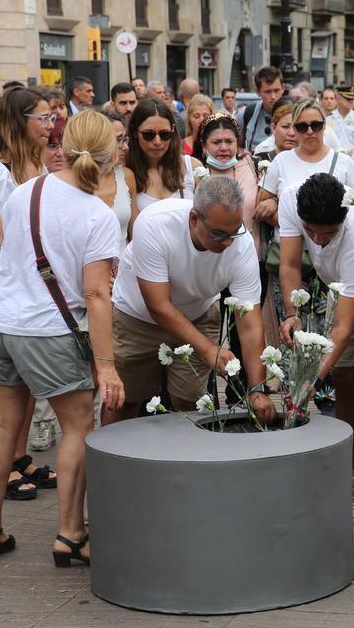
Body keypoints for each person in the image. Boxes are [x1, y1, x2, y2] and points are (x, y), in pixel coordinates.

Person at [0, 110, 125, 564]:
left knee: (2, 424)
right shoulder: (97, 213)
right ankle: (70, 534)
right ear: (110, 155)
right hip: (48, 329)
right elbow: (97, 294)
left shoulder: (27, 189)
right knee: (78, 426)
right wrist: (106, 364)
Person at [108, 175, 274, 422]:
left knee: (190, 403)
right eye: (218, 234)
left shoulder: (242, 245)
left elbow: (249, 321)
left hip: (199, 315)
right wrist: (208, 349)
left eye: (234, 231)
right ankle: (113, 458)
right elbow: (159, 305)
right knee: (125, 401)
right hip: (138, 317)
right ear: (194, 219)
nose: (228, 242)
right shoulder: (154, 224)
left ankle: (180, 458)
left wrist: (257, 389)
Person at [279, 174, 354, 522]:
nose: (316, 240)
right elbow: (288, 264)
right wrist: (292, 314)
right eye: (309, 231)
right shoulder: (290, 198)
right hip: (337, 291)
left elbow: (343, 327)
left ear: (343, 219)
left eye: (326, 235)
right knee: (345, 383)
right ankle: (348, 474)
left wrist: (308, 383)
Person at [0, 87, 61, 489]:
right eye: (42, 118)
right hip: (4, 286)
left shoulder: (38, 166)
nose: (51, 125)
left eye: (51, 117)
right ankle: (0, 459)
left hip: (35, 288)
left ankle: (20, 455)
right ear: (18, 121)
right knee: (1, 384)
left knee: (26, 382)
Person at [255, 99, 354, 228]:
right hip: (286, 243)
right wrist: (291, 223)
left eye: (316, 125)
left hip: (333, 244)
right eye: (302, 127)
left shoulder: (344, 162)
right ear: (294, 129)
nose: (310, 131)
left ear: (324, 126)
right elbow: (261, 204)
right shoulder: (281, 161)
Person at [126, 98, 203, 213]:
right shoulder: (125, 173)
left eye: (165, 134)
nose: (157, 141)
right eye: (148, 134)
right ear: (134, 132)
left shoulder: (192, 167)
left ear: (172, 130)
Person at [95, 114, 139, 251]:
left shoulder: (127, 176)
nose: (125, 147)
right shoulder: (77, 181)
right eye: (118, 140)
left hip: (123, 267)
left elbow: (136, 232)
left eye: (125, 139)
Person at [239, 66, 285, 151]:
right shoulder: (246, 113)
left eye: (276, 90)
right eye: (267, 92)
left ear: (283, 88)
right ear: (258, 92)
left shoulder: (295, 115)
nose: (273, 96)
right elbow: (236, 145)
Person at [326, 85, 354, 153]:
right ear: (337, 98)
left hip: (351, 159)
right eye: (347, 98)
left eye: (352, 98)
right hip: (332, 158)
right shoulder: (328, 119)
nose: (351, 101)